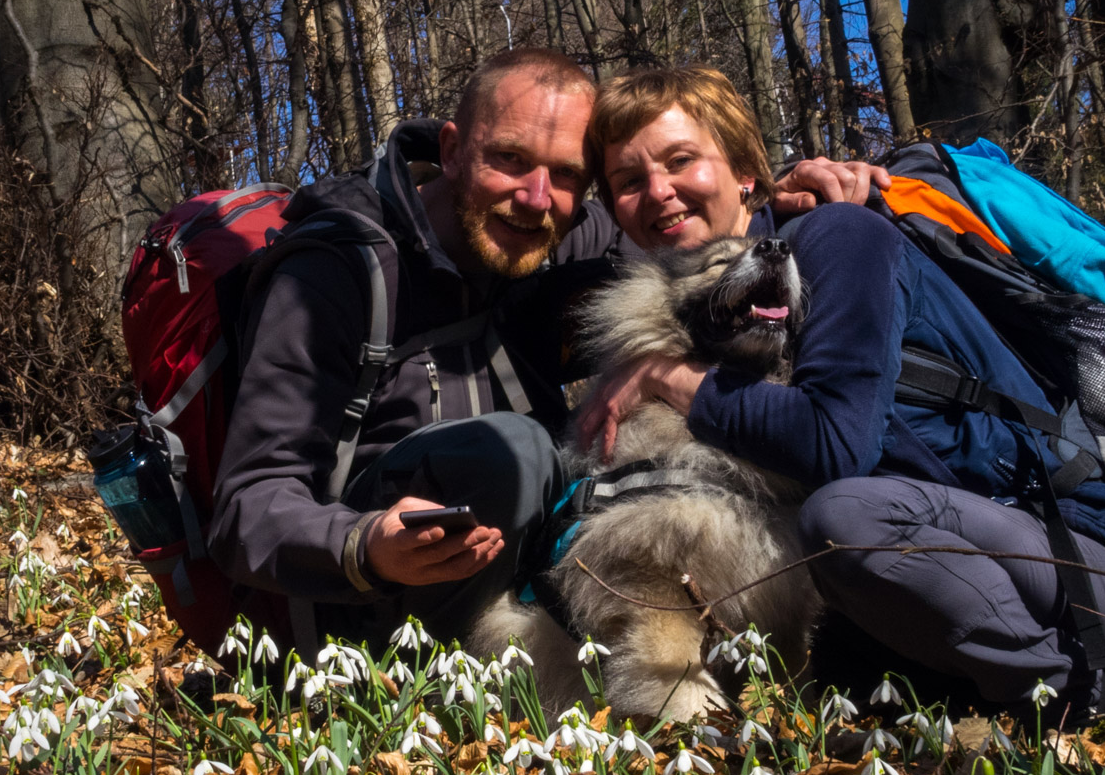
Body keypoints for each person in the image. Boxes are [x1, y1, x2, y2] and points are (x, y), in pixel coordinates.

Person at [209, 49, 864, 653]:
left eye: (566, 177)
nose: (534, 197)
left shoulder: (555, 234)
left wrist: (768, 200)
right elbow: (248, 504)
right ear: (453, 149)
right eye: (511, 160)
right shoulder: (334, 274)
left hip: (526, 580)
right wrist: (363, 546)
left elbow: (680, 238)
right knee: (517, 450)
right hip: (368, 600)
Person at [577, 66, 1105, 716]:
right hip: (951, 566)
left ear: (746, 170)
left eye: (681, 160)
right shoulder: (727, 304)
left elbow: (833, 444)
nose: (658, 191)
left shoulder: (838, 234)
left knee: (844, 520)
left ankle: (1056, 704)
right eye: (630, 182)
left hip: (1086, 573)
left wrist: (671, 378)